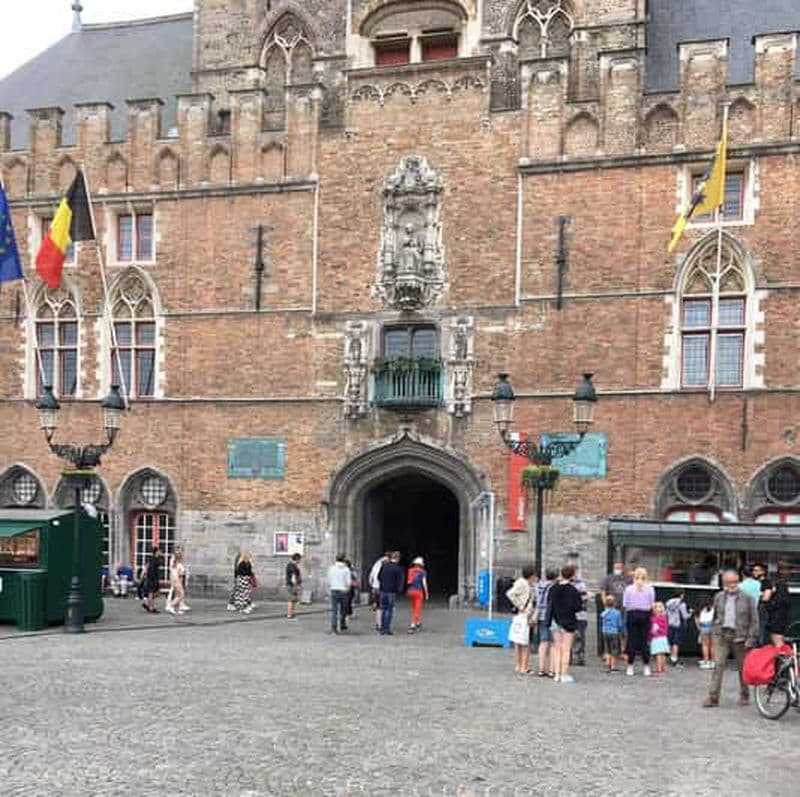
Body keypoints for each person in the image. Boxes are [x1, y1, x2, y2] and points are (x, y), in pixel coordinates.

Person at [703, 569, 759, 708]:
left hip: (740, 637)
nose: (732, 585)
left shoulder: (748, 598)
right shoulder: (719, 597)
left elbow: (754, 620)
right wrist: (714, 631)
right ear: (724, 583)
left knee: (742, 668)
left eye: (734, 582)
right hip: (722, 635)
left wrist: (750, 638)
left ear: (738, 581)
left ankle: (745, 694)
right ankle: (713, 697)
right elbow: (716, 615)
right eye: (728, 582)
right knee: (718, 666)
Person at [547, 565, 582, 683]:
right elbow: (578, 607)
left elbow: (549, 603)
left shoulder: (553, 588)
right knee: (566, 649)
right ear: (572, 575)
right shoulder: (573, 590)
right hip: (568, 621)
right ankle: (564, 673)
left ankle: (556, 673)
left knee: (557, 647)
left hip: (554, 620)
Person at [623, 566, 655, 676]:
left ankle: (631, 666)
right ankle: (644, 666)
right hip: (642, 614)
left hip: (635, 614)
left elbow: (625, 604)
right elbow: (652, 604)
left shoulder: (629, 589)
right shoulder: (649, 589)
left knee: (635, 640)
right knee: (642, 641)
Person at [505, 565, 537, 674]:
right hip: (524, 615)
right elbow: (510, 593)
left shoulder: (527, 583)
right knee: (524, 642)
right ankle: (524, 666)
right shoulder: (522, 583)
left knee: (519, 641)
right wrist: (520, 605)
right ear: (531, 575)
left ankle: (519, 665)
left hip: (522, 615)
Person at [535, 567, 558, 677]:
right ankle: (551, 669)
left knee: (543, 642)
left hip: (541, 615)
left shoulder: (539, 585)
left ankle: (541, 668)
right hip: (552, 615)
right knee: (553, 643)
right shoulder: (554, 587)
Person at [377, 551, 404, 635]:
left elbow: (379, 577)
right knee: (389, 609)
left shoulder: (384, 566)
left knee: (383, 609)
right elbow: (399, 581)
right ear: (397, 558)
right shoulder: (397, 568)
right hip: (391, 591)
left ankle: (382, 628)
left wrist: (383, 584)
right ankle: (387, 628)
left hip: (382, 590)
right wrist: (398, 589)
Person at [766, 564, 791, 647]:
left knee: (778, 642)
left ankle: (782, 658)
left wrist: (768, 603)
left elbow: (772, 605)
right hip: (782, 621)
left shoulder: (777, 597)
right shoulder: (785, 595)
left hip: (776, 622)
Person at [665, 590, 691, 667]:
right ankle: (674, 659)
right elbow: (685, 616)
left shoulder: (668, 603)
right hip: (678, 625)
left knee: (669, 642)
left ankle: (666, 657)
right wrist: (690, 613)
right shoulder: (682, 604)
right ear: (681, 595)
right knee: (676, 643)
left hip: (670, 624)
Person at [327, 553, 352, 634]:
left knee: (334, 610)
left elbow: (329, 579)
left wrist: (332, 585)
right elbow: (348, 581)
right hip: (343, 590)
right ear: (344, 559)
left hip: (334, 589)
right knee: (343, 609)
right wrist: (348, 589)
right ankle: (342, 624)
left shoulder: (332, 568)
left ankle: (334, 628)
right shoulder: (346, 569)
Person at [570, 569, 589, 666]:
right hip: (580, 614)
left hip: (575, 615)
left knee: (577, 636)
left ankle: (577, 656)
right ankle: (577, 656)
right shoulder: (581, 585)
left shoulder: (580, 585)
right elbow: (584, 599)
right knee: (579, 636)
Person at [406, 556, 429, 633]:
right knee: (417, 609)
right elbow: (424, 583)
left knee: (414, 607)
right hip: (419, 591)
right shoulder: (423, 572)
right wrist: (426, 593)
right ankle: (412, 625)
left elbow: (409, 582)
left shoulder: (410, 571)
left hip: (411, 591)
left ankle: (418, 622)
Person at [600, 596, 624, 672]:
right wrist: (620, 631)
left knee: (607, 648)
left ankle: (607, 663)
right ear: (615, 603)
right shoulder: (617, 613)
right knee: (614, 649)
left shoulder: (603, 613)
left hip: (605, 631)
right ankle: (613, 666)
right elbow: (619, 624)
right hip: (614, 632)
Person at [369, 552, 390, 632]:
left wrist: (372, 586)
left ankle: (378, 624)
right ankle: (384, 624)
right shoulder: (386, 566)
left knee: (378, 607)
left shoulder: (376, 565)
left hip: (375, 588)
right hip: (383, 588)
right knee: (384, 607)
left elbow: (370, 577)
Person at [753, 562, 774, 646]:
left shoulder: (766, 582)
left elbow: (766, 597)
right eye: (754, 570)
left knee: (760, 630)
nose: (754, 572)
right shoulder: (753, 583)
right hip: (753, 608)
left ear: (763, 572)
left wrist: (759, 595)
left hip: (762, 609)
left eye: (756, 570)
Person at [649, 602, 669, 676]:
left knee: (658, 655)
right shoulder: (664, 618)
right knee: (663, 654)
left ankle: (658, 670)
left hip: (656, 638)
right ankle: (663, 669)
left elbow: (653, 630)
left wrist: (650, 637)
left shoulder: (653, 619)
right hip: (664, 638)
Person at [166, 548, 187, 616]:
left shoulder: (175, 563)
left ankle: (176, 609)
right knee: (181, 594)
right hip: (177, 580)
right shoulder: (179, 565)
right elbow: (180, 575)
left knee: (177, 595)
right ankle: (171, 605)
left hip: (175, 579)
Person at [695, 600, 715, 669]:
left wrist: (699, 629)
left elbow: (697, 621)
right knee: (712, 645)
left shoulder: (699, 610)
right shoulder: (713, 608)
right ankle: (712, 661)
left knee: (705, 645)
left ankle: (706, 661)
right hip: (712, 627)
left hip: (703, 627)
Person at [143, 546, 163, 614]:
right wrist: (151, 578)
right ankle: (151, 608)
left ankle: (147, 603)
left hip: (154, 578)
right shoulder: (153, 559)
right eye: (160, 551)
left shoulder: (156, 559)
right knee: (151, 593)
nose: (161, 552)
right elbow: (150, 569)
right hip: (152, 579)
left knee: (157, 593)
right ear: (156, 552)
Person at [285, 552, 302, 620]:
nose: (300, 561)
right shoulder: (292, 566)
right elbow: (293, 576)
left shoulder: (291, 565)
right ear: (297, 559)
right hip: (292, 585)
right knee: (291, 600)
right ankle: (289, 614)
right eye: (299, 559)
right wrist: (295, 585)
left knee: (293, 599)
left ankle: (292, 613)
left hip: (292, 584)